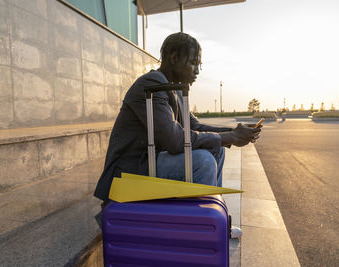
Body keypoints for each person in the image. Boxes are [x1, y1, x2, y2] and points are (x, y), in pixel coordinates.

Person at [93, 32, 261, 238]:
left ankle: (215, 223)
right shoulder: (152, 84)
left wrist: (232, 133)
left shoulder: (173, 89)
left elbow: (195, 125)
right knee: (203, 161)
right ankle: (201, 234)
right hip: (131, 170)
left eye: (199, 65)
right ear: (174, 58)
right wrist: (230, 138)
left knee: (217, 151)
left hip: (151, 162)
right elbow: (173, 140)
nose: (197, 71)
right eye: (193, 63)